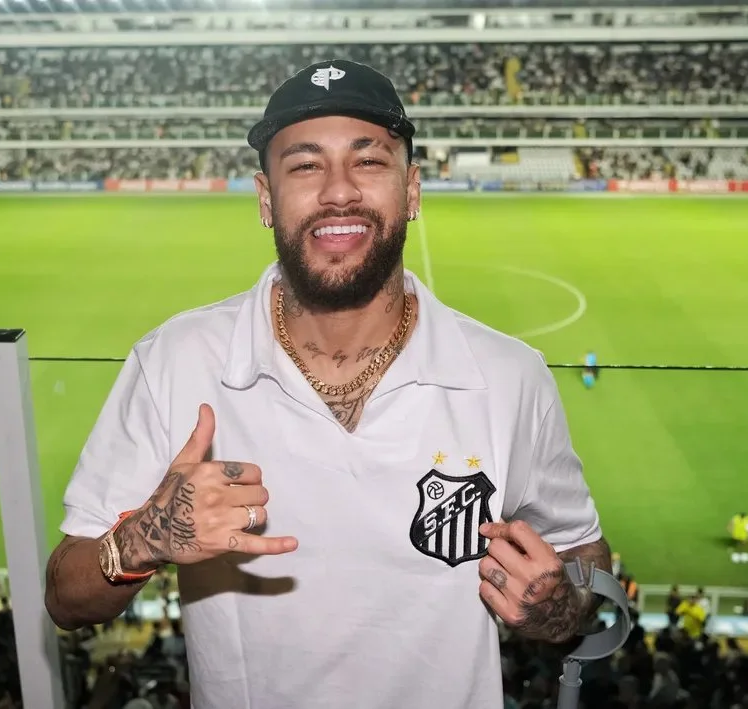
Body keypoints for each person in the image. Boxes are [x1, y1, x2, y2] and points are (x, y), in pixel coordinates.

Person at [44, 59, 610, 709]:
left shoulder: (510, 376)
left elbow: (584, 556)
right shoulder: (175, 360)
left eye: (368, 161)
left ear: (413, 189)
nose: (339, 191)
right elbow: (65, 597)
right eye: (306, 165)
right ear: (266, 198)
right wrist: (144, 537)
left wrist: (557, 606)